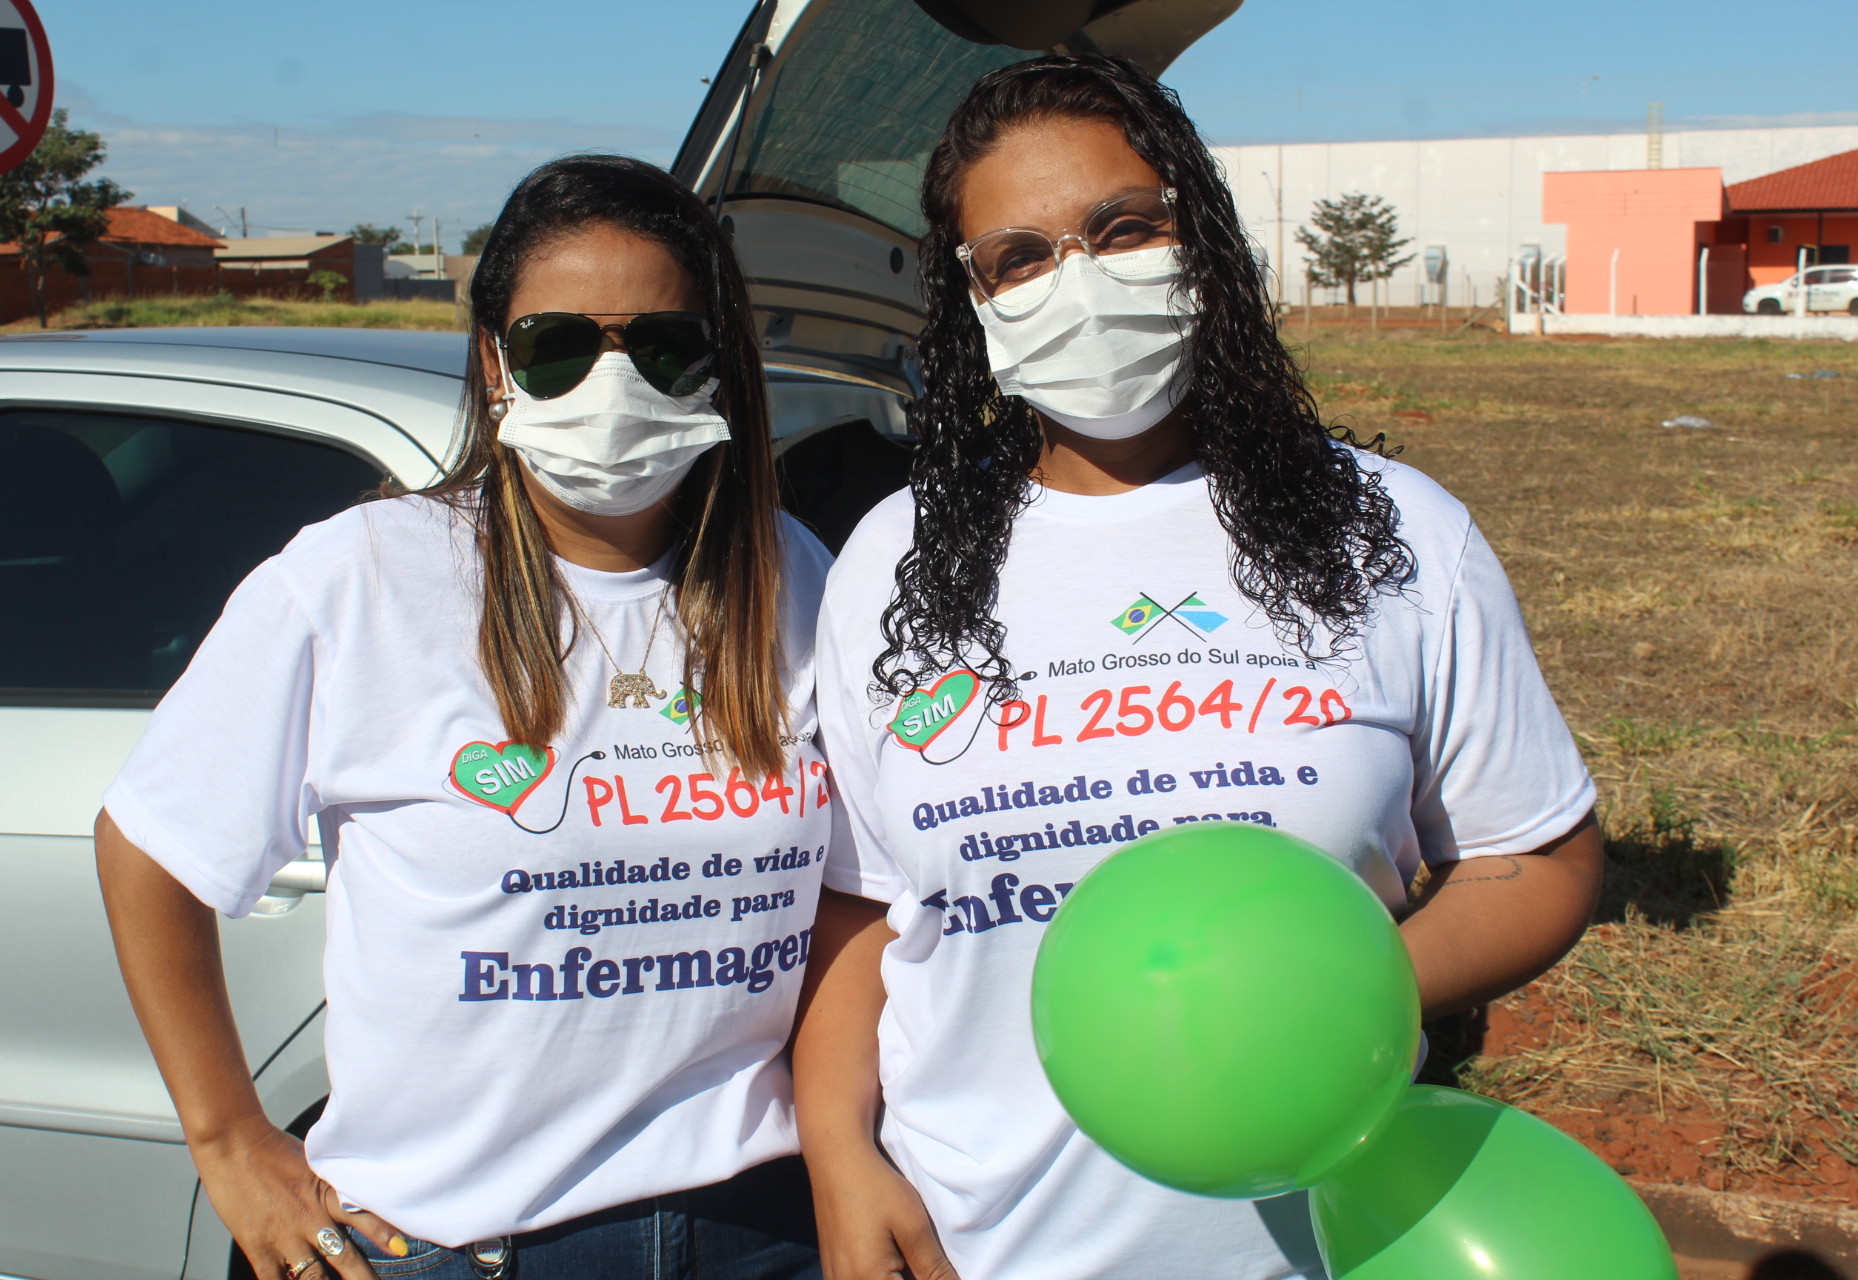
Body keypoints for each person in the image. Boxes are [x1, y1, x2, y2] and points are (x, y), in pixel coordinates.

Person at [798, 55, 1604, 1280]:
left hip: (1315, 1239)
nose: (1079, 281)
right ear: (972, 300)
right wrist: (838, 1156)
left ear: (1203, 237)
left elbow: (1537, 853)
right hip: (979, 1244)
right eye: (1020, 257)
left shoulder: (1391, 530)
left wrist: (1340, 980)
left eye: (1124, 228)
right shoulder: (894, 562)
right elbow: (863, 908)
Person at [96, 155, 840, 1280]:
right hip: (463, 1246)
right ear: (496, 360)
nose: (612, 380)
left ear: (713, 368)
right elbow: (150, 845)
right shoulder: (363, 578)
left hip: (761, 1226)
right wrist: (229, 1136)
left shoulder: (790, 577)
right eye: (557, 344)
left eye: (663, 346)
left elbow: (858, 890)